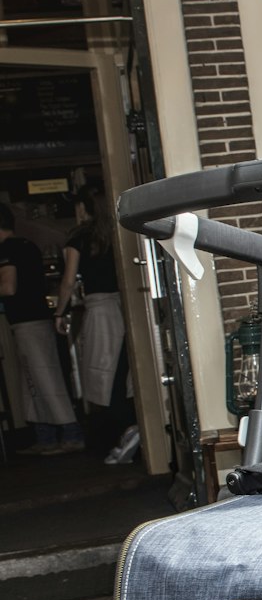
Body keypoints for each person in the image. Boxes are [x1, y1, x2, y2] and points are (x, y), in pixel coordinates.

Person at [55, 187, 139, 464]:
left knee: (101, 371)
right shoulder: (115, 232)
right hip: (123, 305)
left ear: (83, 208)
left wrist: (60, 311)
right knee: (120, 371)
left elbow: (68, 280)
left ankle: (118, 434)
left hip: (99, 308)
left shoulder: (78, 237)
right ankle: (129, 429)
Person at [0, 203, 84, 454]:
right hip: (36, 318)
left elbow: (8, 287)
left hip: (27, 321)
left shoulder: (7, 250)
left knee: (43, 378)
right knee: (36, 379)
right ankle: (46, 437)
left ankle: (69, 434)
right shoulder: (27, 246)